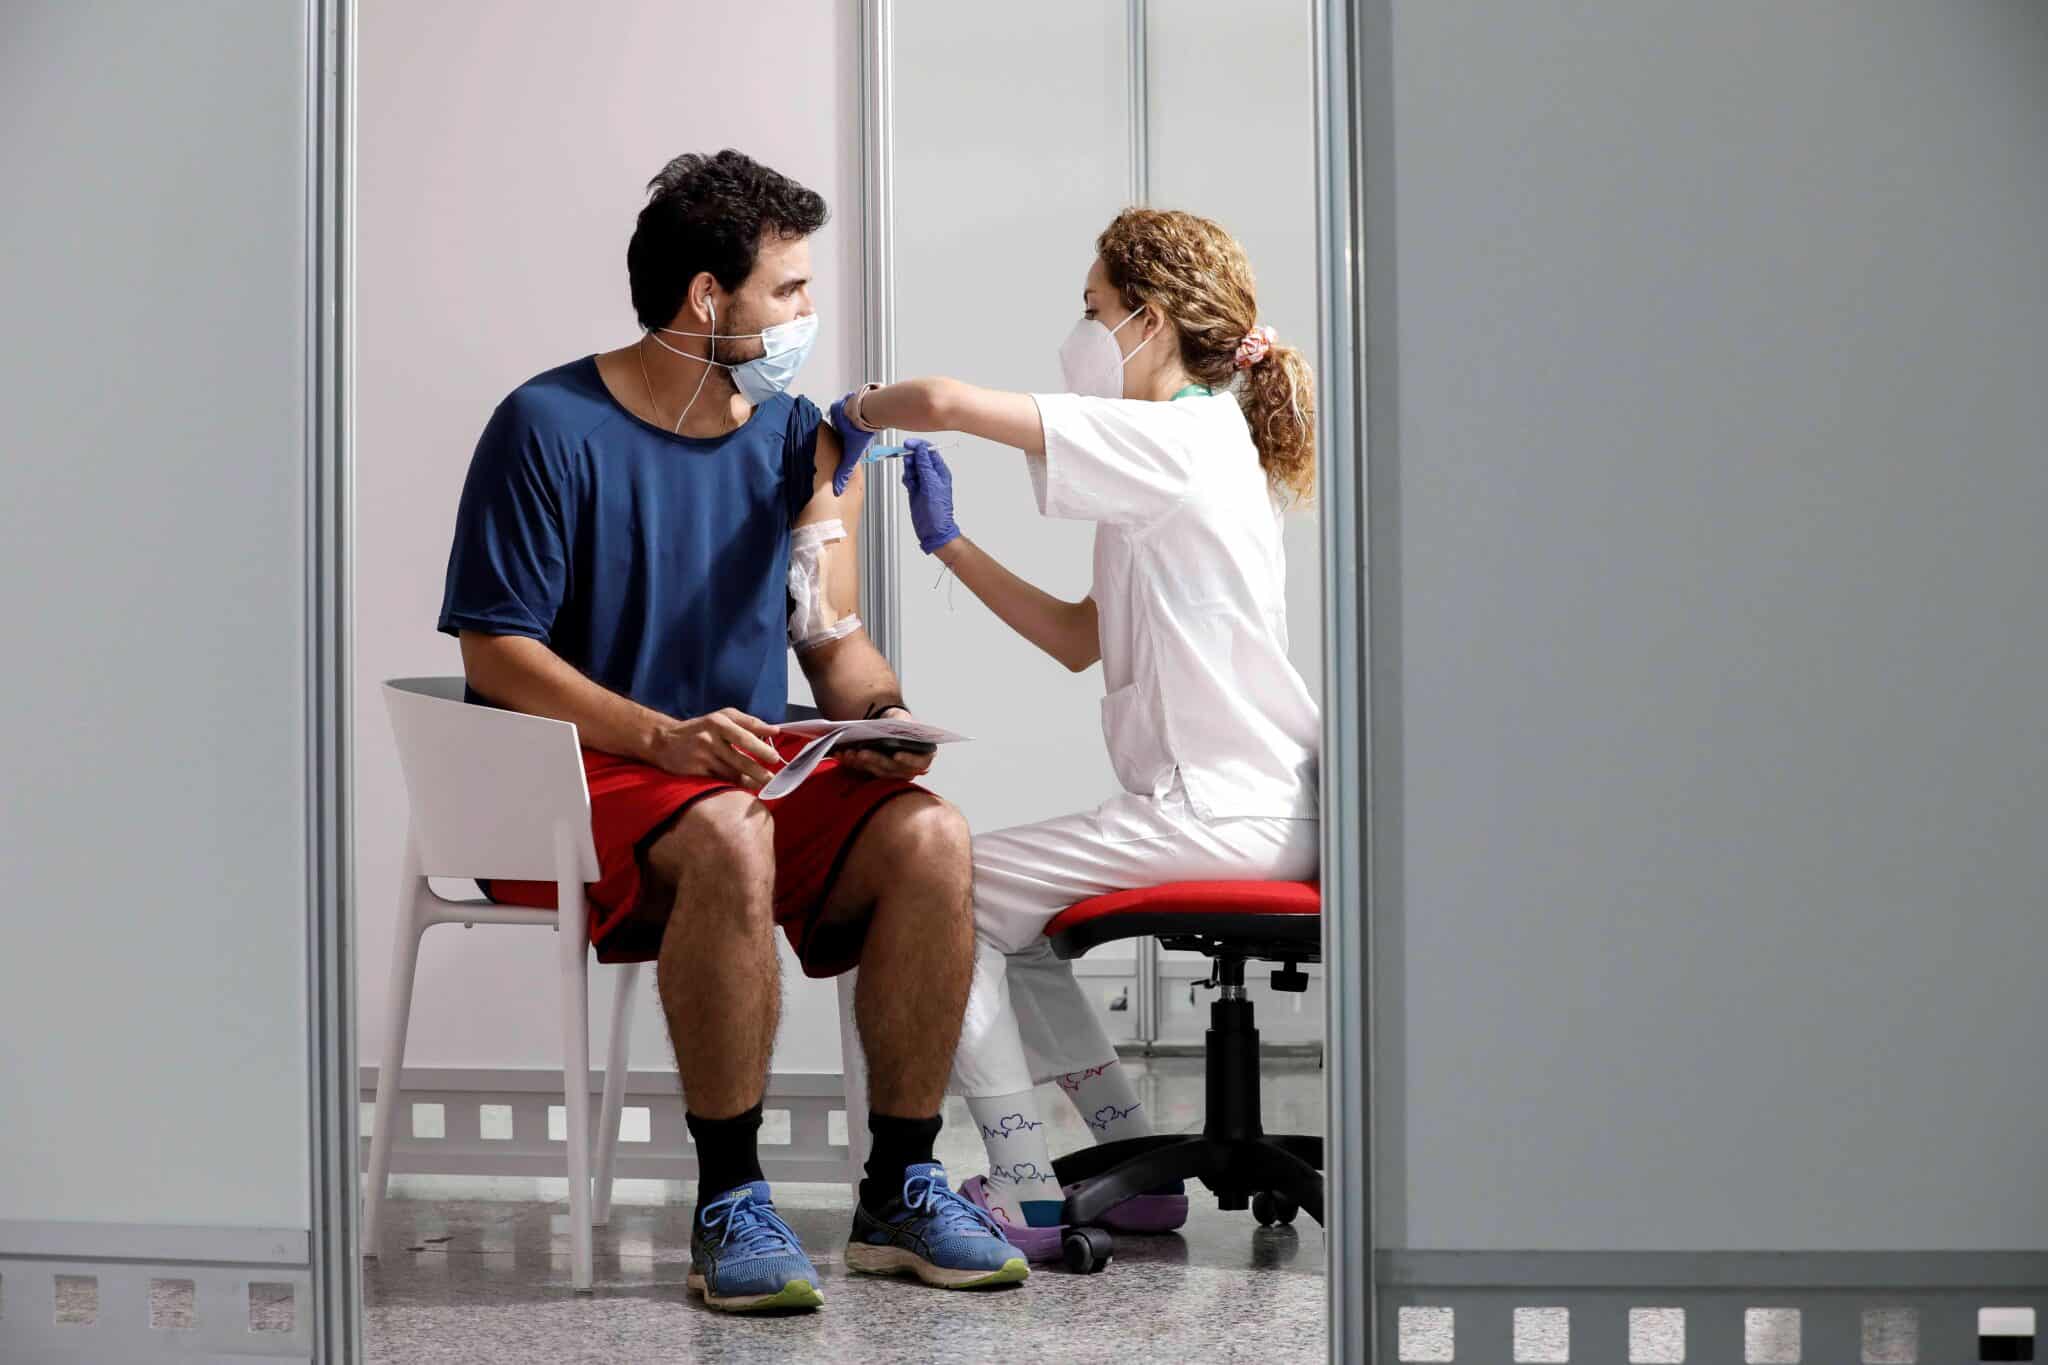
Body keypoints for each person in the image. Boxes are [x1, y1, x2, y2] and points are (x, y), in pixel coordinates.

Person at [437, 150, 1023, 1311]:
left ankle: (901, 1187)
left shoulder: (798, 440)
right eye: (789, 291)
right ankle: (728, 1200)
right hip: (589, 781)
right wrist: (658, 738)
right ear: (709, 300)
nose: (808, 315)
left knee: (932, 837)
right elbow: (495, 654)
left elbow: (829, 634)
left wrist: (875, 713)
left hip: (739, 773)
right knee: (726, 833)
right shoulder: (544, 427)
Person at [827, 207, 1322, 1258]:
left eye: (1090, 307)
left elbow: (950, 402)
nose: (1078, 327)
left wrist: (850, 416)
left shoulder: (1173, 436)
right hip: (1252, 805)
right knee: (1023, 926)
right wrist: (949, 544)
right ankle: (1126, 1166)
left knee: (941, 896)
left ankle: (1023, 1186)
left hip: (1213, 810)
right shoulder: (1190, 452)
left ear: (1143, 320)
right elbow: (1072, 639)